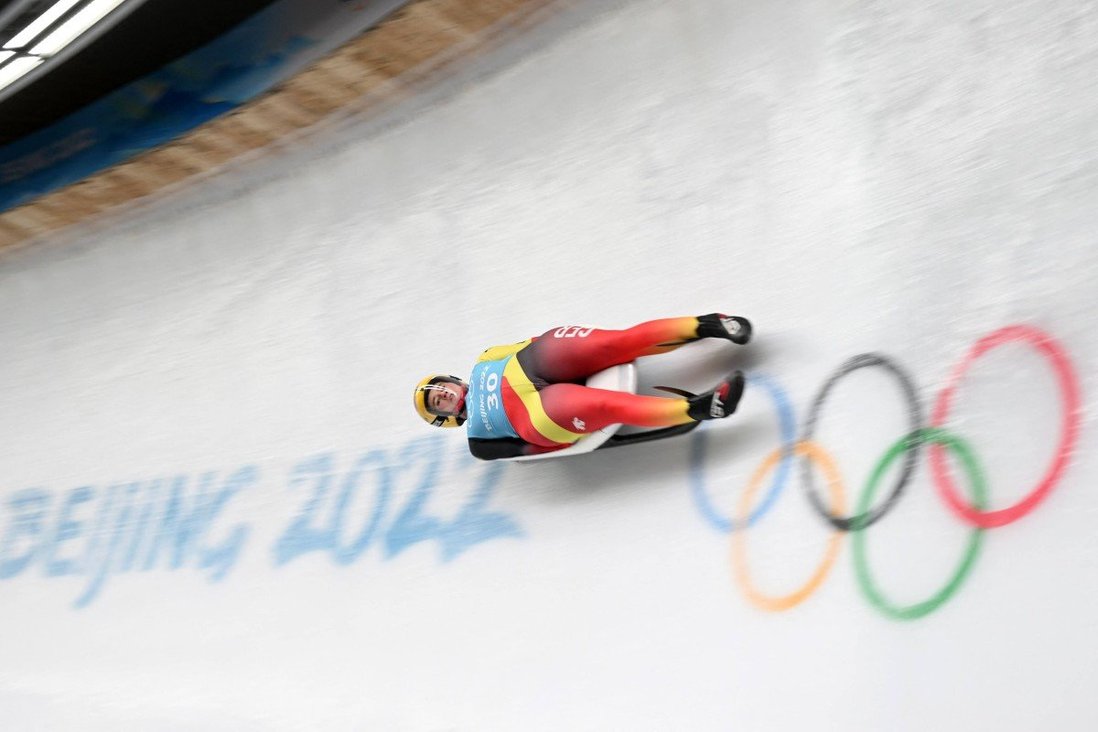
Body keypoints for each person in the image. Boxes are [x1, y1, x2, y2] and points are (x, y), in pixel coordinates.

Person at [413, 314, 751, 460]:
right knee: (608, 404)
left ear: (450, 380)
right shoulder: (478, 443)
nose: (441, 395)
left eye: (437, 388)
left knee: (620, 342)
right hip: (536, 415)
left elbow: (527, 343)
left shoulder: (485, 357)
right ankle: (700, 408)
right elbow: (527, 453)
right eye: (437, 404)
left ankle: (712, 324)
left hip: (537, 359)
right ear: (446, 418)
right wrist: (568, 441)